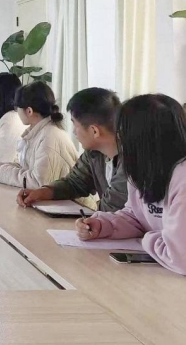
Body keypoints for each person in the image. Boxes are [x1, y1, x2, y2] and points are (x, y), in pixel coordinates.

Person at [76, 94, 186, 275]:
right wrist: (103, 225)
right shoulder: (144, 169)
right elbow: (136, 216)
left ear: (140, 138)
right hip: (163, 273)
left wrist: (146, 238)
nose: (119, 139)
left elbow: (180, 257)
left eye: (122, 133)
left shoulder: (182, 176)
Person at [18, 88, 128, 211]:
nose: (74, 132)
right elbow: (75, 183)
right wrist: (43, 192)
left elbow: (111, 209)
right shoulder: (94, 152)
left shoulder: (131, 162)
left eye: (75, 125)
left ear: (94, 131)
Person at [0, 82, 77, 188]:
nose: (16, 112)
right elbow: (27, 168)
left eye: (17, 108)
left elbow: (37, 182)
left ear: (29, 111)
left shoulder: (49, 137)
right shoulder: (39, 132)